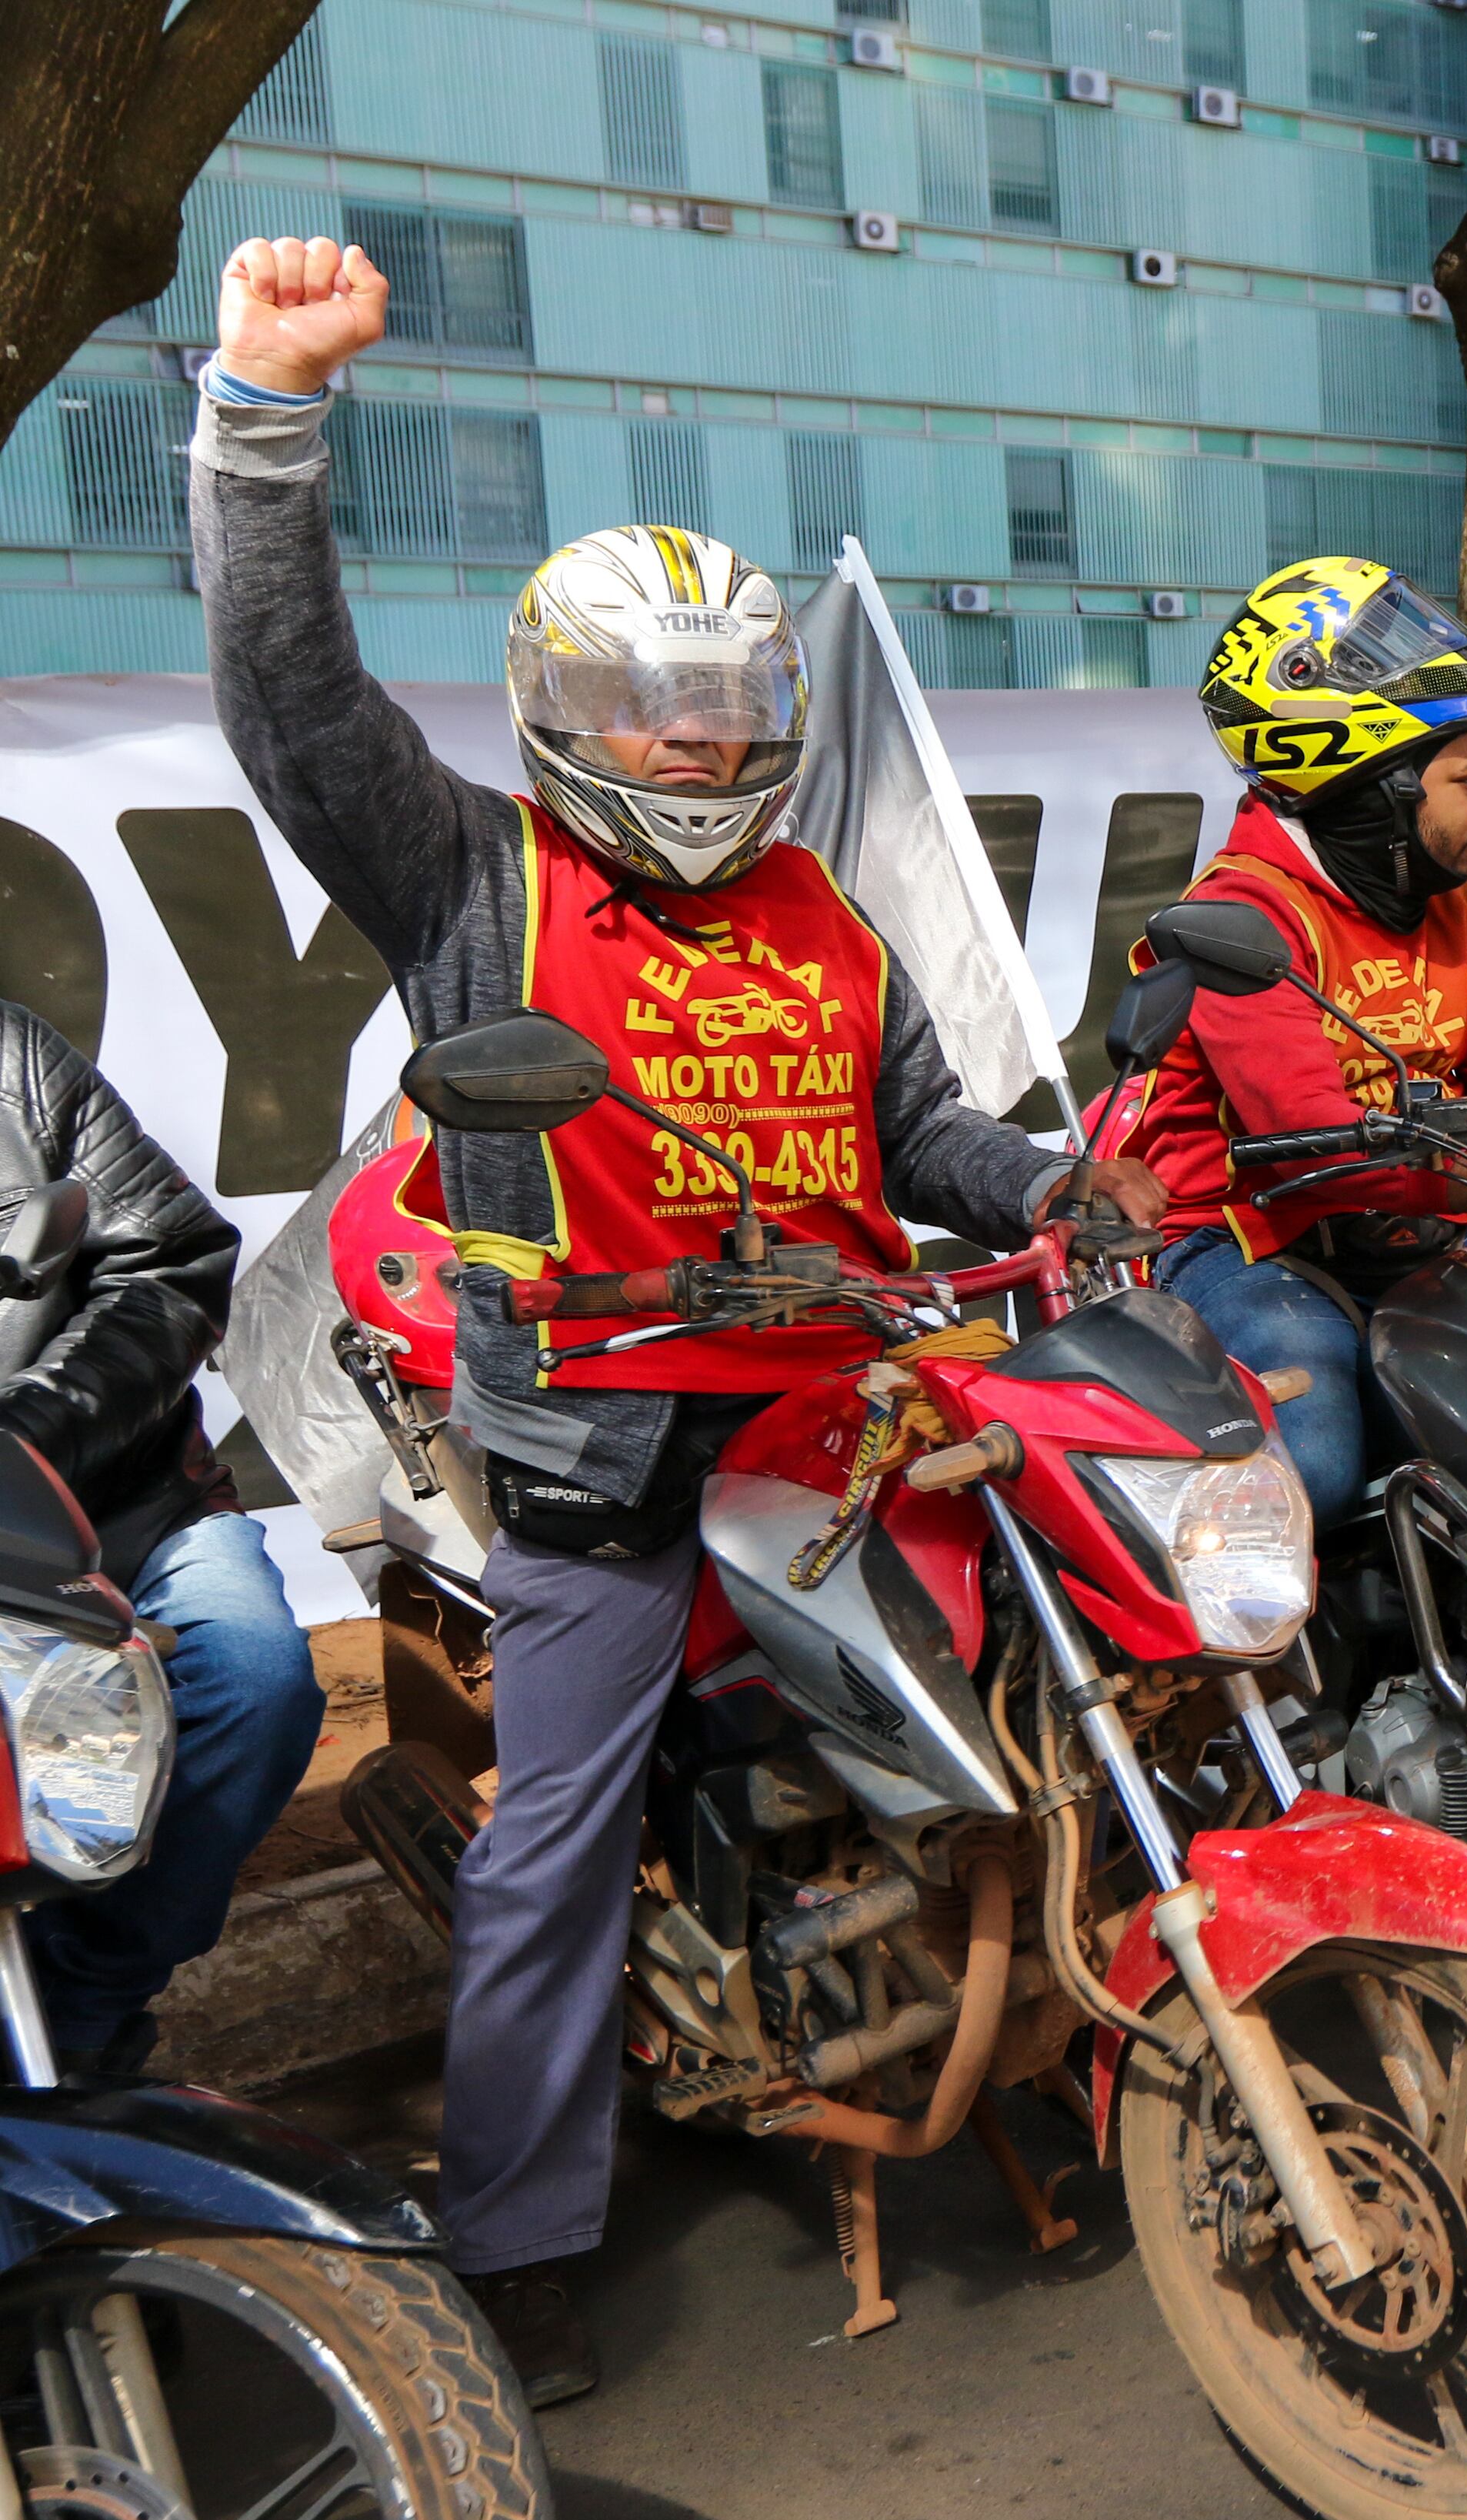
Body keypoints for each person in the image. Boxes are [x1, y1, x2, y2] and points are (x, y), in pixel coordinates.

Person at [188, 235, 1143, 2407]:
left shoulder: (824, 908)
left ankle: (1083, 2010)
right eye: (658, 712)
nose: (701, 747)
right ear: (563, 717)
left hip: (841, 1410)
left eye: (731, 711)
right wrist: (266, 415)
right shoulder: (473, 880)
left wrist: (1056, 1184)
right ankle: (516, 2228)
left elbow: (928, 1135)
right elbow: (291, 704)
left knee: (1086, 1660)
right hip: (608, 1453)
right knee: (551, 1847)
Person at [1112, 560, 1467, 1503]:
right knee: (1309, 1469)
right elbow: (1313, 1144)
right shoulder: (1244, 921)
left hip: (1435, 1224)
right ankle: (1275, 1651)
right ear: (1380, 788)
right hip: (1255, 1247)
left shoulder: (1466, 914)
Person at [0, 1009, 325, 2080]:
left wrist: (30, 1432)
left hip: (120, 1509)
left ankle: (86, 2006)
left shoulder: (17, 1065)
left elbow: (169, 1259)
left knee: (255, 1677)